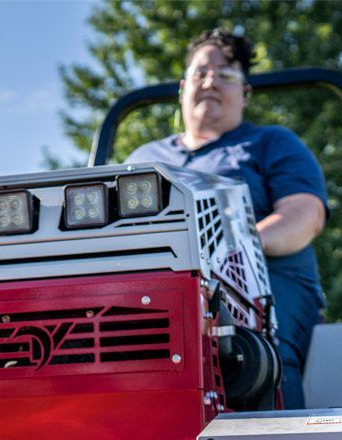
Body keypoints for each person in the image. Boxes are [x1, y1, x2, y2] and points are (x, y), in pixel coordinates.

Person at [126, 28, 329, 410]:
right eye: (201, 73)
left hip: (264, 286)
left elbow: (303, 216)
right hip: (156, 293)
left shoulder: (271, 144)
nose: (211, 82)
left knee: (262, 357)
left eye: (226, 74)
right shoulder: (143, 160)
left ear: (245, 93)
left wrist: (227, 253)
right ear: (182, 87)